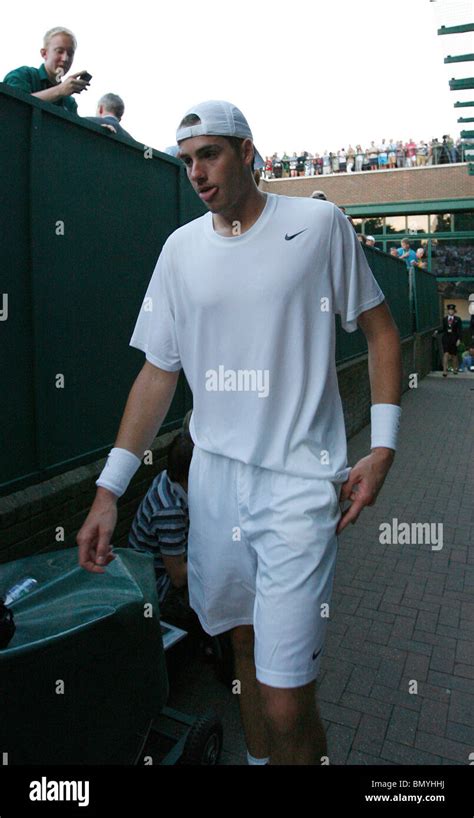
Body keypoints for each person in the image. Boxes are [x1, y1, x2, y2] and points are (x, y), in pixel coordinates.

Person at [77, 99, 402, 766]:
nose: (196, 171)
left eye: (211, 154)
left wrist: (384, 445)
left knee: (287, 700)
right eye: (187, 159)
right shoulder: (179, 251)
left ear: (249, 152)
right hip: (214, 490)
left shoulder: (318, 225)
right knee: (243, 651)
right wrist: (110, 489)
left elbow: (381, 330)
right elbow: (156, 375)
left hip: (299, 489)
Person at [128, 433, 195, 627]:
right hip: (158, 590)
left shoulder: (168, 478)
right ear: (189, 474)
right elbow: (178, 577)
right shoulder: (169, 512)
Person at [3, 27, 90, 114]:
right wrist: (59, 90)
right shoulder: (22, 75)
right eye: (59, 51)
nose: (65, 59)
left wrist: (99, 127)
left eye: (70, 54)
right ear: (44, 53)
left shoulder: (69, 102)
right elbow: (12, 105)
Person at [434, 304, 463, 377]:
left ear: (454, 311)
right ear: (448, 311)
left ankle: (455, 368)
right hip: (446, 338)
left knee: (454, 354)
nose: (451, 311)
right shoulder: (445, 319)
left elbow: (459, 330)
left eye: (452, 310)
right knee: (446, 353)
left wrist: (459, 339)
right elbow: (443, 328)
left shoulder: (457, 319)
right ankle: (445, 370)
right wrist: (437, 331)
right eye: (449, 310)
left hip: (454, 338)